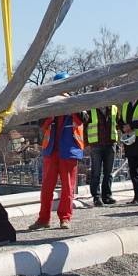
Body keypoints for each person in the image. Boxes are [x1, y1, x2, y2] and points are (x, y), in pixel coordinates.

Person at [28, 72, 87, 230]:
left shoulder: (77, 102)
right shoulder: (49, 103)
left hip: (68, 150)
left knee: (68, 187)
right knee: (47, 187)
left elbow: (84, 119)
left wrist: (70, 105)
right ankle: (43, 219)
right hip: (52, 150)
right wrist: (52, 110)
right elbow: (41, 123)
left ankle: (65, 218)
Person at [86, 98, 118, 207]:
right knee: (96, 172)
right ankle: (96, 197)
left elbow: (117, 124)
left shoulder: (113, 108)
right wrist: (86, 143)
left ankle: (107, 196)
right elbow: (85, 125)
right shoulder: (91, 109)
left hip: (110, 144)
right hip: (96, 145)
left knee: (108, 173)